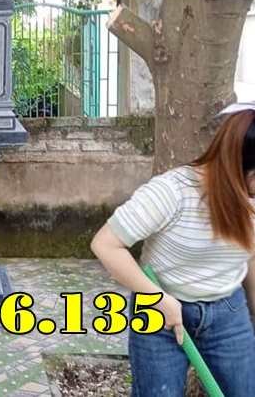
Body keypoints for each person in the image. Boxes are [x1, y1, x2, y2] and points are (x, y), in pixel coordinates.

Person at [91, 108, 255, 396]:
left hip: (228, 312)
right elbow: (105, 244)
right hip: (159, 310)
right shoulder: (173, 191)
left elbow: (250, 257)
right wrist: (157, 298)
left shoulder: (250, 199)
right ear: (242, 171)